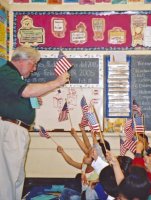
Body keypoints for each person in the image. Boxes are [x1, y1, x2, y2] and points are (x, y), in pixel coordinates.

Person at [0, 46, 70, 200]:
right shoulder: (6, 72)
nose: (35, 69)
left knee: (16, 178)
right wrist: (57, 82)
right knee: (7, 180)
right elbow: (26, 91)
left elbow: (20, 95)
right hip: (10, 130)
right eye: (34, 64)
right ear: (24, 60)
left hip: (16, 131)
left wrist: (28, 101)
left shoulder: (14, 77)